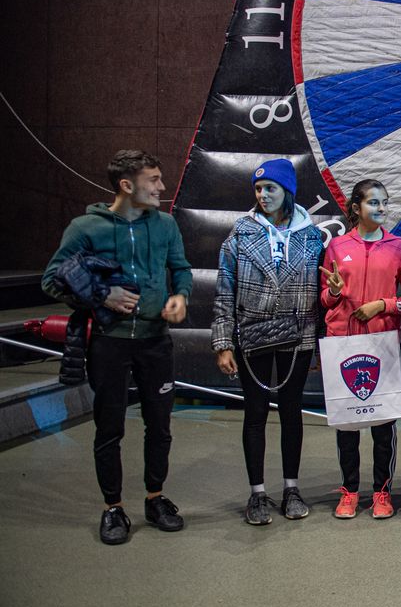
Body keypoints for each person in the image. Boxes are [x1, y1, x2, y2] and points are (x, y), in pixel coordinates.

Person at [42, 150, 192, 545]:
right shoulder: (85, 227)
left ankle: (155, 497)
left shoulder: (165, 225)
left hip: (155, 341)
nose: (162, 187)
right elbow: (51, 281)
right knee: (109, 427)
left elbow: (181, 270)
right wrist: (101, 295)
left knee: (159, 426)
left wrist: (182, 297)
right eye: (154, 180)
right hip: (108, 343)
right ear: (127, 185)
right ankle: (113, 507)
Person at [212, 158, 324, 526]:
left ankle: (291, 487)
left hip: (299, 334)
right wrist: (223, 342)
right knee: (256, 412)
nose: (263, 195)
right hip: (253, 333)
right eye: (258, 189)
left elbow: (323, 293)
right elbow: (224, 291)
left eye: (270, 188)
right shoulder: (240, 234)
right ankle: (257, 492)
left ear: (287, 191)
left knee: (292, 411)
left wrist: (322, 341)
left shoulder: (312, 236)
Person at [320, 180, 401, 520]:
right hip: (342, 344)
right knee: (347, 427)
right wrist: (334, 293)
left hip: (381, 346)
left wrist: (383, 304)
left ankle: (382, 492)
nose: (380, 209)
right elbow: (324, 299)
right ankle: (349, 491)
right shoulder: (336, 247)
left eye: (384, 202)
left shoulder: (399, 247)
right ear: (356, 207)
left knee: (382, 425)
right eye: (373, 203)